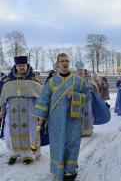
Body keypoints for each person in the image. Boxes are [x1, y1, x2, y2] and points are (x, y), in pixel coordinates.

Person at [33, 53, 86, 181]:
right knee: (57, 144)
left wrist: (75, 95)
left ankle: (70, 171)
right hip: (55, 120)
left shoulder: (79, 81)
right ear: (57, 64)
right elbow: (44, 99)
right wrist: (41, 118)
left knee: (72, 144)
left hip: (73, 120)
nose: (65, 63)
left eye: (67, 60)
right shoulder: (51, 82)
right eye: (62, 61)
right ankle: (58, 169)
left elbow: (88, 97)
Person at [0, 56, 42, 165]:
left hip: (29, 113)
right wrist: (2, 110)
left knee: (30, 133)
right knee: (9, 133)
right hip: (11, 113)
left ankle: (28, 155)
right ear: (16, 67)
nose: (21, 67)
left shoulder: (33, 81)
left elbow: (41, 98)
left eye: (23, 65)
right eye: (19, 66)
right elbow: (3, 99)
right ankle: (13, 154)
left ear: (27, 66)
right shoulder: (8, 83)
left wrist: (41, 113)